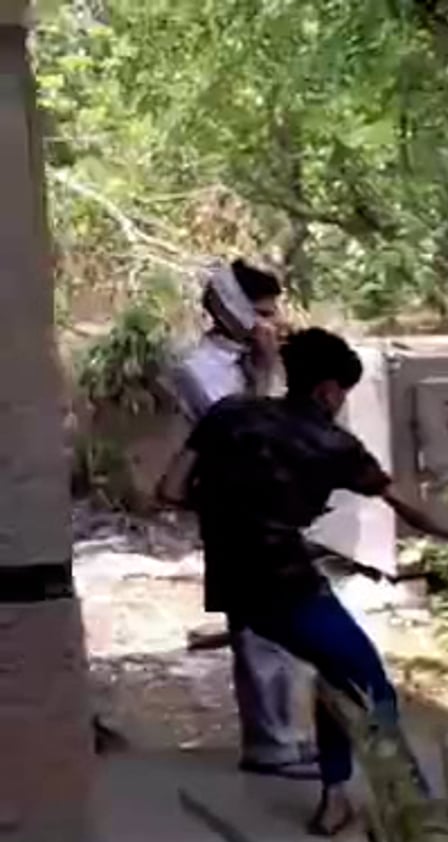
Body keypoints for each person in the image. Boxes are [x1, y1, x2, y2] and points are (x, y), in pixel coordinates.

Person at [158, 328, 448, 836]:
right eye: (343, 392)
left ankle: (336, 797)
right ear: (328, 389)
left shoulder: (230, 413)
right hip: (286, 584)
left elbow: (170, 490)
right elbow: (412, 509)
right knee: (370, 684)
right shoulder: (335, 445)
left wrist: (239, 510)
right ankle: (408, 803)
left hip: (234, 583)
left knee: (335, 672)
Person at [167, 259, 314, 779]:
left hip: (275, 505)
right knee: (255, 629)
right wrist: (268, 369)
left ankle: (290, 733)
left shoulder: (259, 361)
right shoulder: (197, 368)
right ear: (233, 311)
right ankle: (268, 743)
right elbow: (248, 430)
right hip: (234, 506)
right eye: (262, 313)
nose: (272, 322)